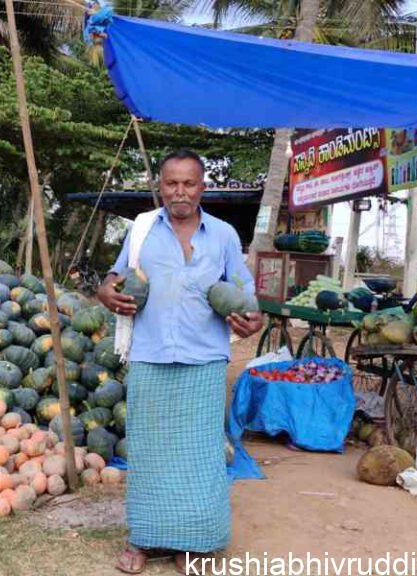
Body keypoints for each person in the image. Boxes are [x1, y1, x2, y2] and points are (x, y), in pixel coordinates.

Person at [97, 149, 262, 574]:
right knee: (149, 451)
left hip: (204, 359)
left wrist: (252, 315)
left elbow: (242, 286)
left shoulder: (223, 235)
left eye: (189, 183)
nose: (180, 191)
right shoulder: (141, 230)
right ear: (161, 186)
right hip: (150, 355)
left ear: (202, 187)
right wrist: (106, 291)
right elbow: (115, 276)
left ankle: (193, 542)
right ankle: (143, 538)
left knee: (199, 454)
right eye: (171, 183)